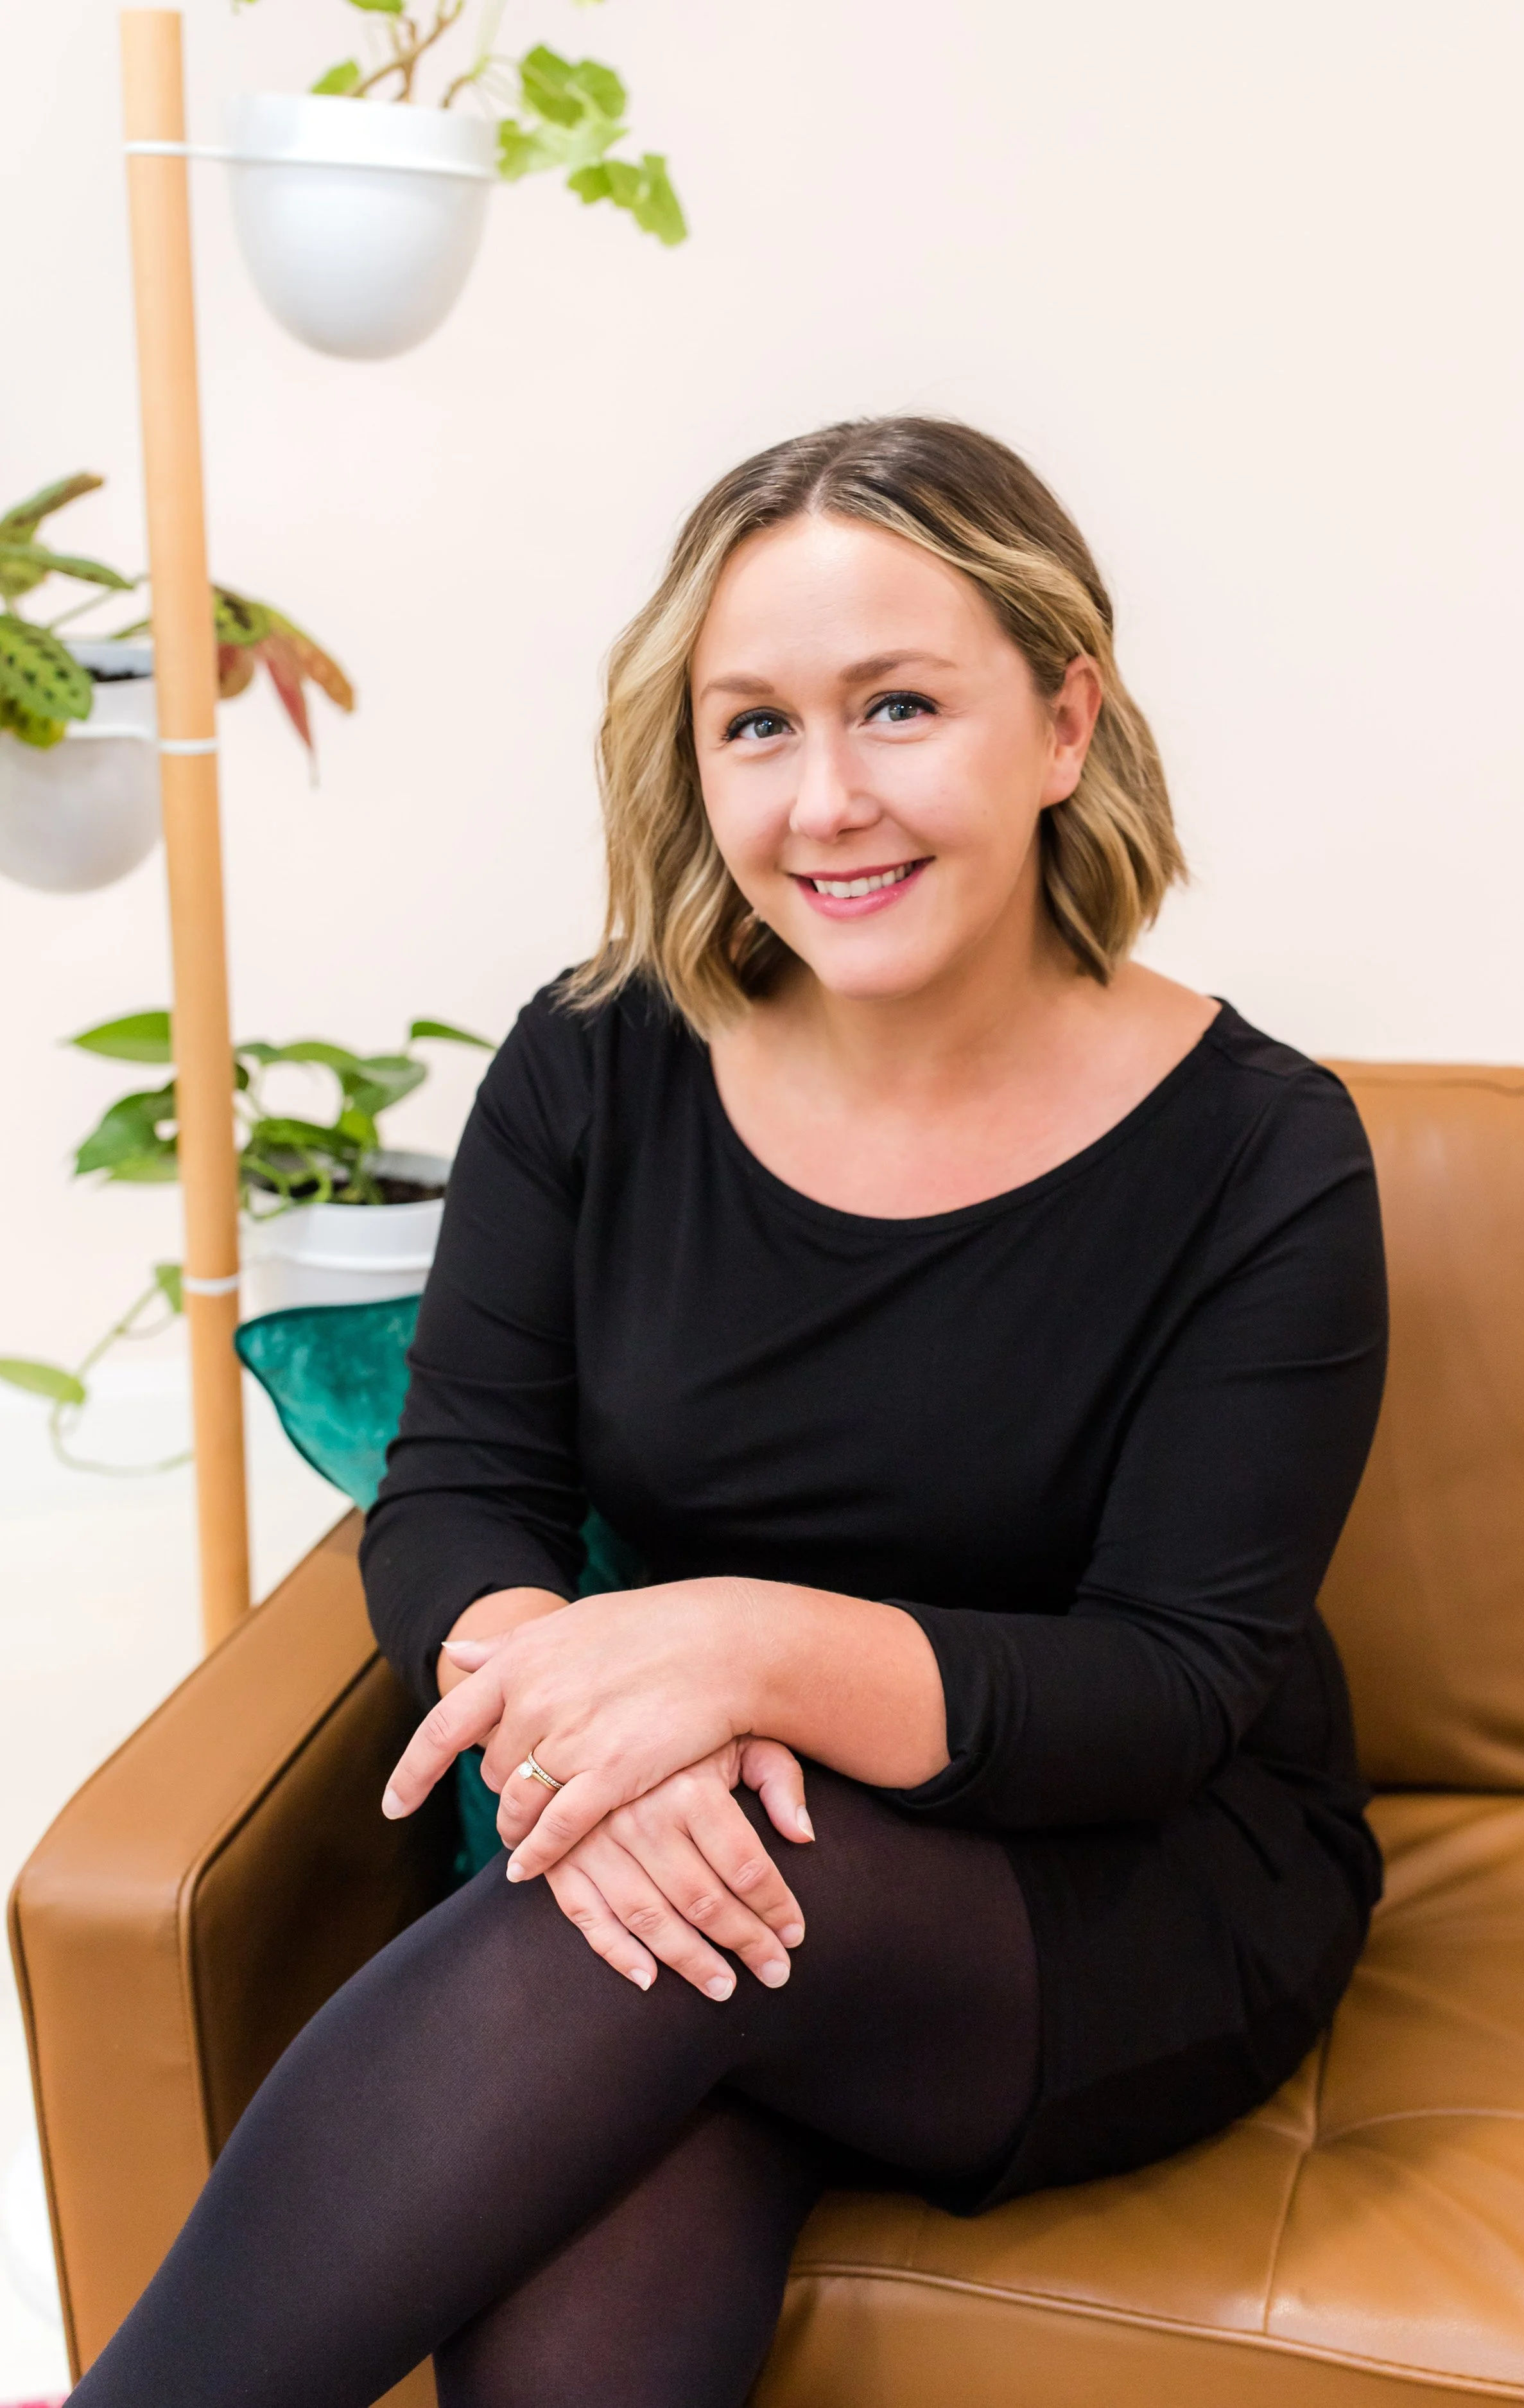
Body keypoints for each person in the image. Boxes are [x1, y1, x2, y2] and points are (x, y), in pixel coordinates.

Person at [71, 417, 1387, 2408]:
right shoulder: (600, 1058)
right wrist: (575, 1697)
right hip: (697, 1824)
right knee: (647, 2014)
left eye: (899, 706)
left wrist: (723, 1647)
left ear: (1061, 718)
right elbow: (459, 1495)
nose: (825, 799)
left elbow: (1167, 1685)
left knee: (647, 1935)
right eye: (753, 725)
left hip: (1115, 1880)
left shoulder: (1264, 1156)